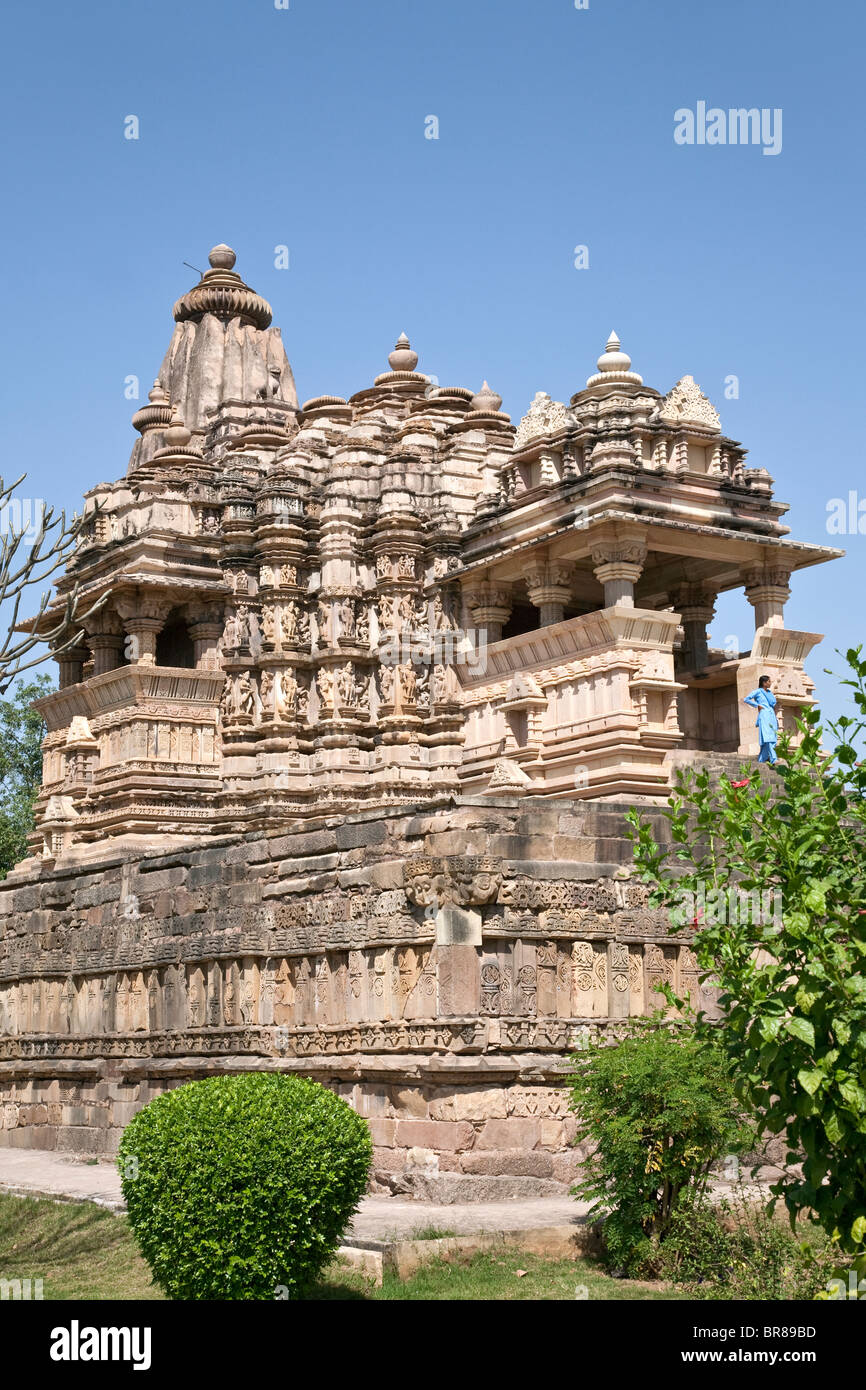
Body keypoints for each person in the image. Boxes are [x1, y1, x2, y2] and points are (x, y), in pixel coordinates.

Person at [744, 675, 779, 767]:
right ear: (764, 683)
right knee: (768, 737)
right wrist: (757, 705)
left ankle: (761, 760)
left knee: (773, 737)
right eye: (769, 681)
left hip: (771, 716)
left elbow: (773, 703)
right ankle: (774, 759)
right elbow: (746, 699)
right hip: (764, 716)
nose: (770, 683)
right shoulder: (758, 692)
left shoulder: (769, 693)